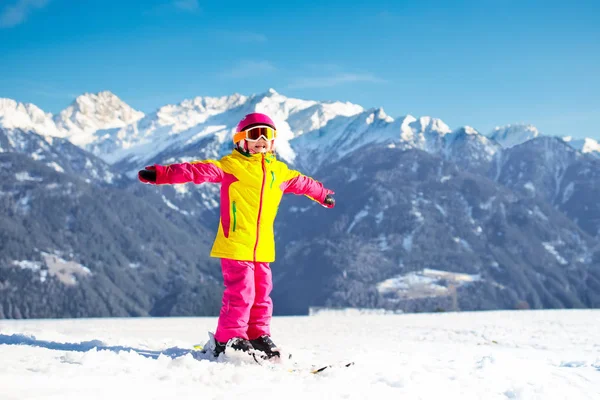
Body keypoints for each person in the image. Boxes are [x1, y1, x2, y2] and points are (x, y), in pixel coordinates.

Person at [138, 112, 335, 359]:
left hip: (262, 246)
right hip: (235, 243)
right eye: (255, 134)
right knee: (242, 292)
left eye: (268, 134)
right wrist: (162, 174)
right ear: (241, 140)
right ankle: (228, 338)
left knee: (262, 293)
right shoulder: (232, 166)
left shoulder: (280, 172)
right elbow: (196, 170)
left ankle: (257, 335)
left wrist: (323, 194)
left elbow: (304, 183)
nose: (261, 139)